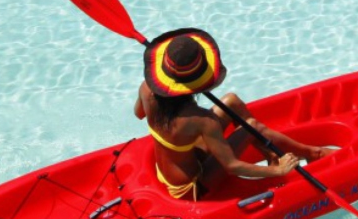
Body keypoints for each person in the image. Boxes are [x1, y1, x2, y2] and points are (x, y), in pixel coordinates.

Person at [134, 27, 331, 201]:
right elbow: (232, 166)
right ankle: (312, 153)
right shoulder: (202, 120)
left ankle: (270, 153)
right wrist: (278, 171)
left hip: (173, 166)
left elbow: (139, 114)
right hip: (192, 187)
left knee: (231, 101)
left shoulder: (146, 89)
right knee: (251, 126)